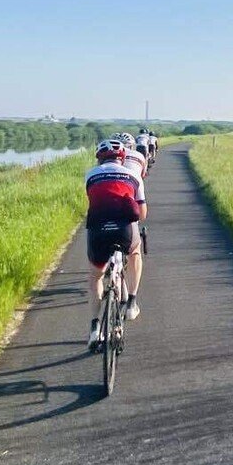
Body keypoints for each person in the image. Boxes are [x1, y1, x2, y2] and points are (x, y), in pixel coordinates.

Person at [85, 139, 147, 346]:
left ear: (99, 159)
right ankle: (131, 303)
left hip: (98, 230)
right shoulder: (134, 174)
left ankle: (94, 329)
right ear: (122, 157)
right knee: (135, 252)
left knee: (95, 275)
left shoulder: (90, 175)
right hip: (124, 230)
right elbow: (142, 214)